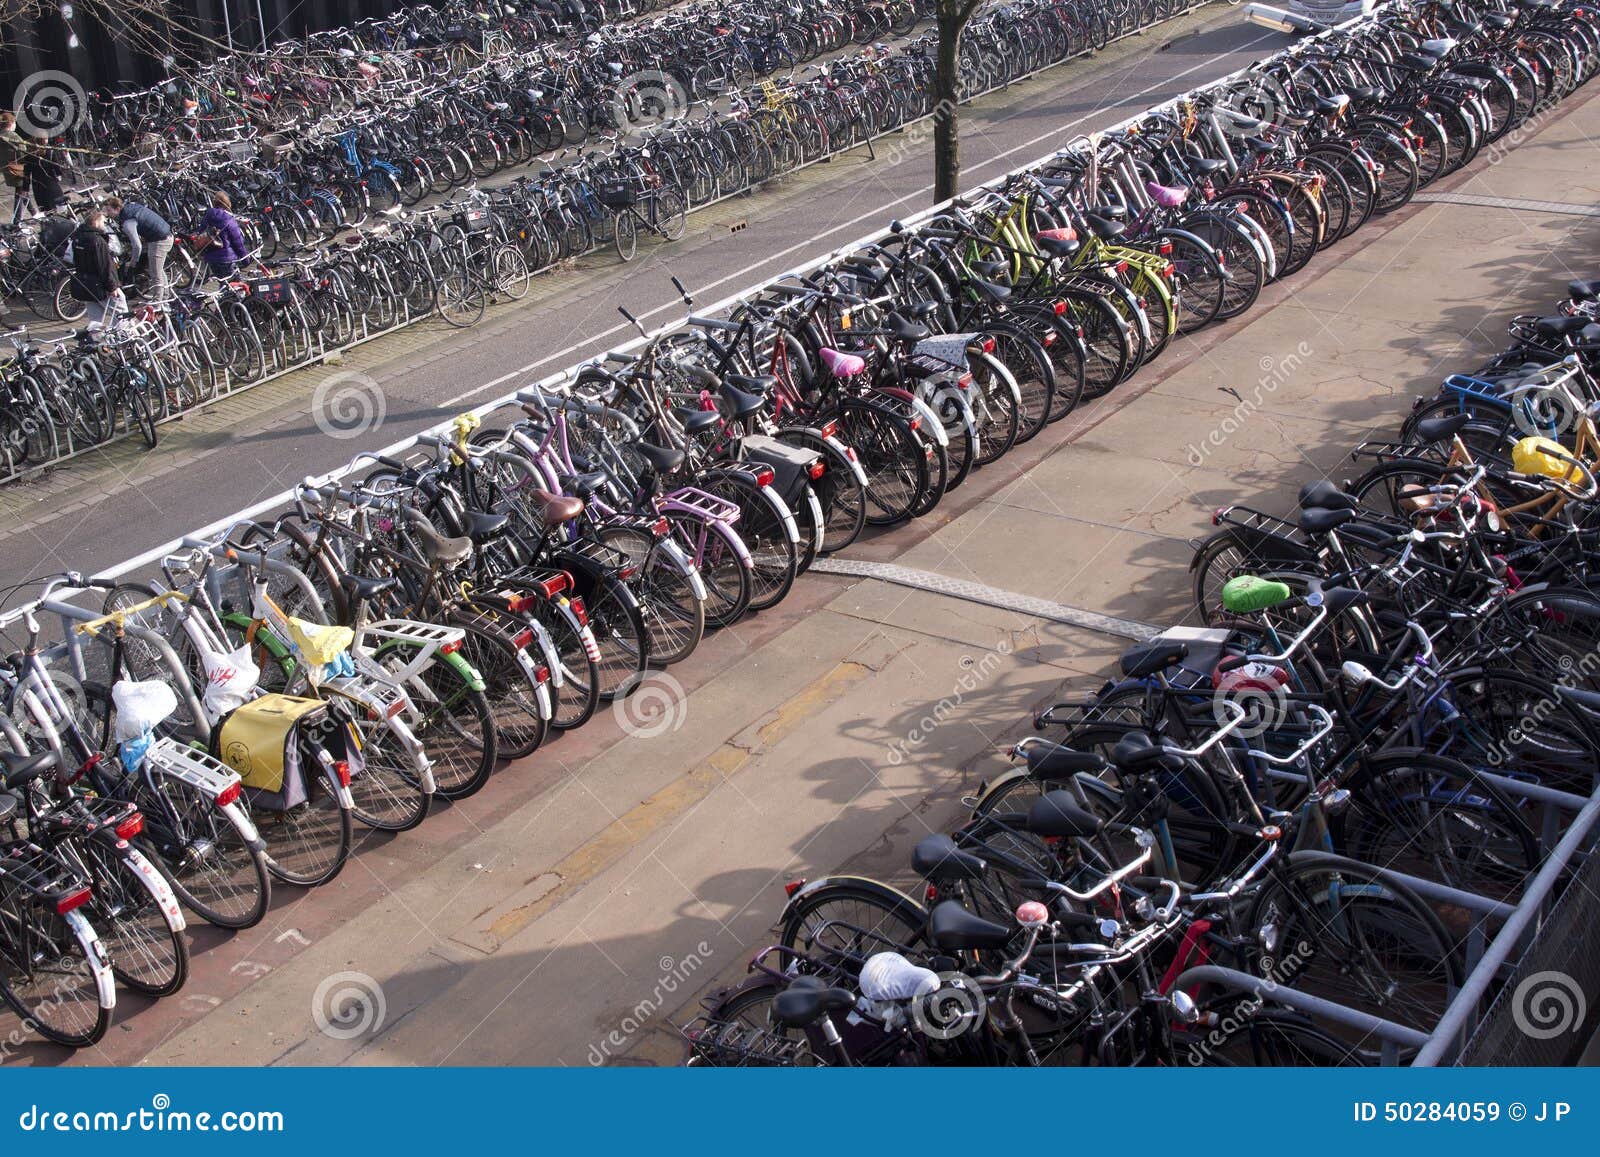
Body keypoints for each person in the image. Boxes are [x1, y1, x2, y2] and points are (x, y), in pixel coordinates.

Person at [104, 194, 173, 301]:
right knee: (158, 270)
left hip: (159, 240)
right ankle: (165, 297)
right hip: (167, 234)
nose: (107, 214)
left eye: (109, 210)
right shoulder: (131, 206)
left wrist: (133, 263)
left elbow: (137, 246)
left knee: (155, 273)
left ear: (117, 209)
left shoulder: (127, 222)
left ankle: (158, 303)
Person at [70, 208, 122, 327]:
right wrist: (112, 287)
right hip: (101, 286)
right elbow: (104, 266)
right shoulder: (97, 241)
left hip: (87, 285)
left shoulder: (78, 237)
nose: (104, 225)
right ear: (95, 222)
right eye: (102, 222)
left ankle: (95, 337)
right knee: (121, 314)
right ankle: (120, 336)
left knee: (95, 321)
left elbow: (76, 261)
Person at [199, 189, 248, 279]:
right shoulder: (229, 219)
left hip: (211, 259)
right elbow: (238, 242)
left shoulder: (207, 216)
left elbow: (201, 232)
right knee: (235, 283)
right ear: (227, 203)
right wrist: (245, 259)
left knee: (223, 282)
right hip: (227, 259)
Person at [0, 112, 29, 224]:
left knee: (22, 191)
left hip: (5, 167)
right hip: (17, 168)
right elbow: (23, 152)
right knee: (21, 192)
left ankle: (33, 213)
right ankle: (17, 221)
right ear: (10, 123)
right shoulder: (14, 136)